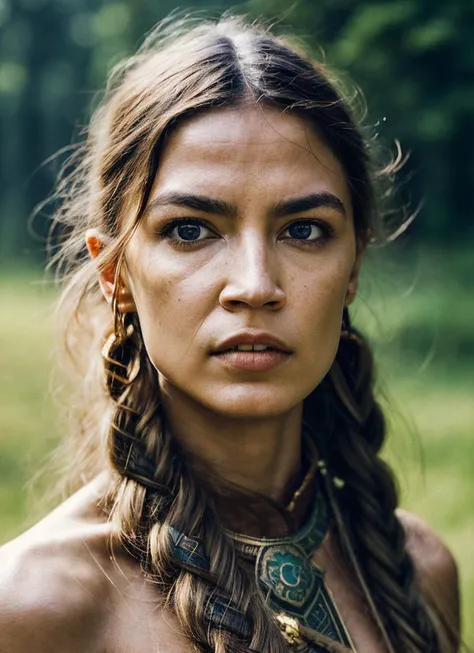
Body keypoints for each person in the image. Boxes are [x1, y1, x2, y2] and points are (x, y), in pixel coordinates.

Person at [0, 14, 460, 653]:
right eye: (191, 229)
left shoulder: (421, 573)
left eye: (303, 230)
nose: (254, 284)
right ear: (116, 273)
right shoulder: (32, 607)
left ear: (351, 266)